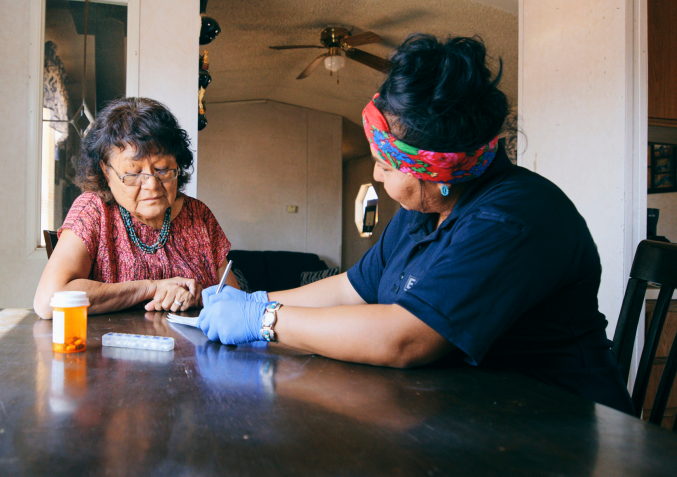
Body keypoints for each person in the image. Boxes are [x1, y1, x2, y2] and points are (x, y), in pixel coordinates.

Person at [195, 35, 635, 415]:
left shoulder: (515, 217)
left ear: (439, 172)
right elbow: (351, 288)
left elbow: (405, 338)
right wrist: (252, 298)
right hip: (467, 411)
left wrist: (265, 319)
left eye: (387, 164)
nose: (376, 175)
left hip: (555, 427)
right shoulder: (422, 210)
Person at [34, 97, 238, 319]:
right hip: (111, 350)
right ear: (105, 171)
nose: (152, 185)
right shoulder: (94, 211)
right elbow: (49, 300)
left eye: (162, 169)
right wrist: (151, 288)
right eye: (132, 173)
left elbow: (237, 300)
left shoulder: (198, 216)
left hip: (192, 350)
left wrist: (199, 296)